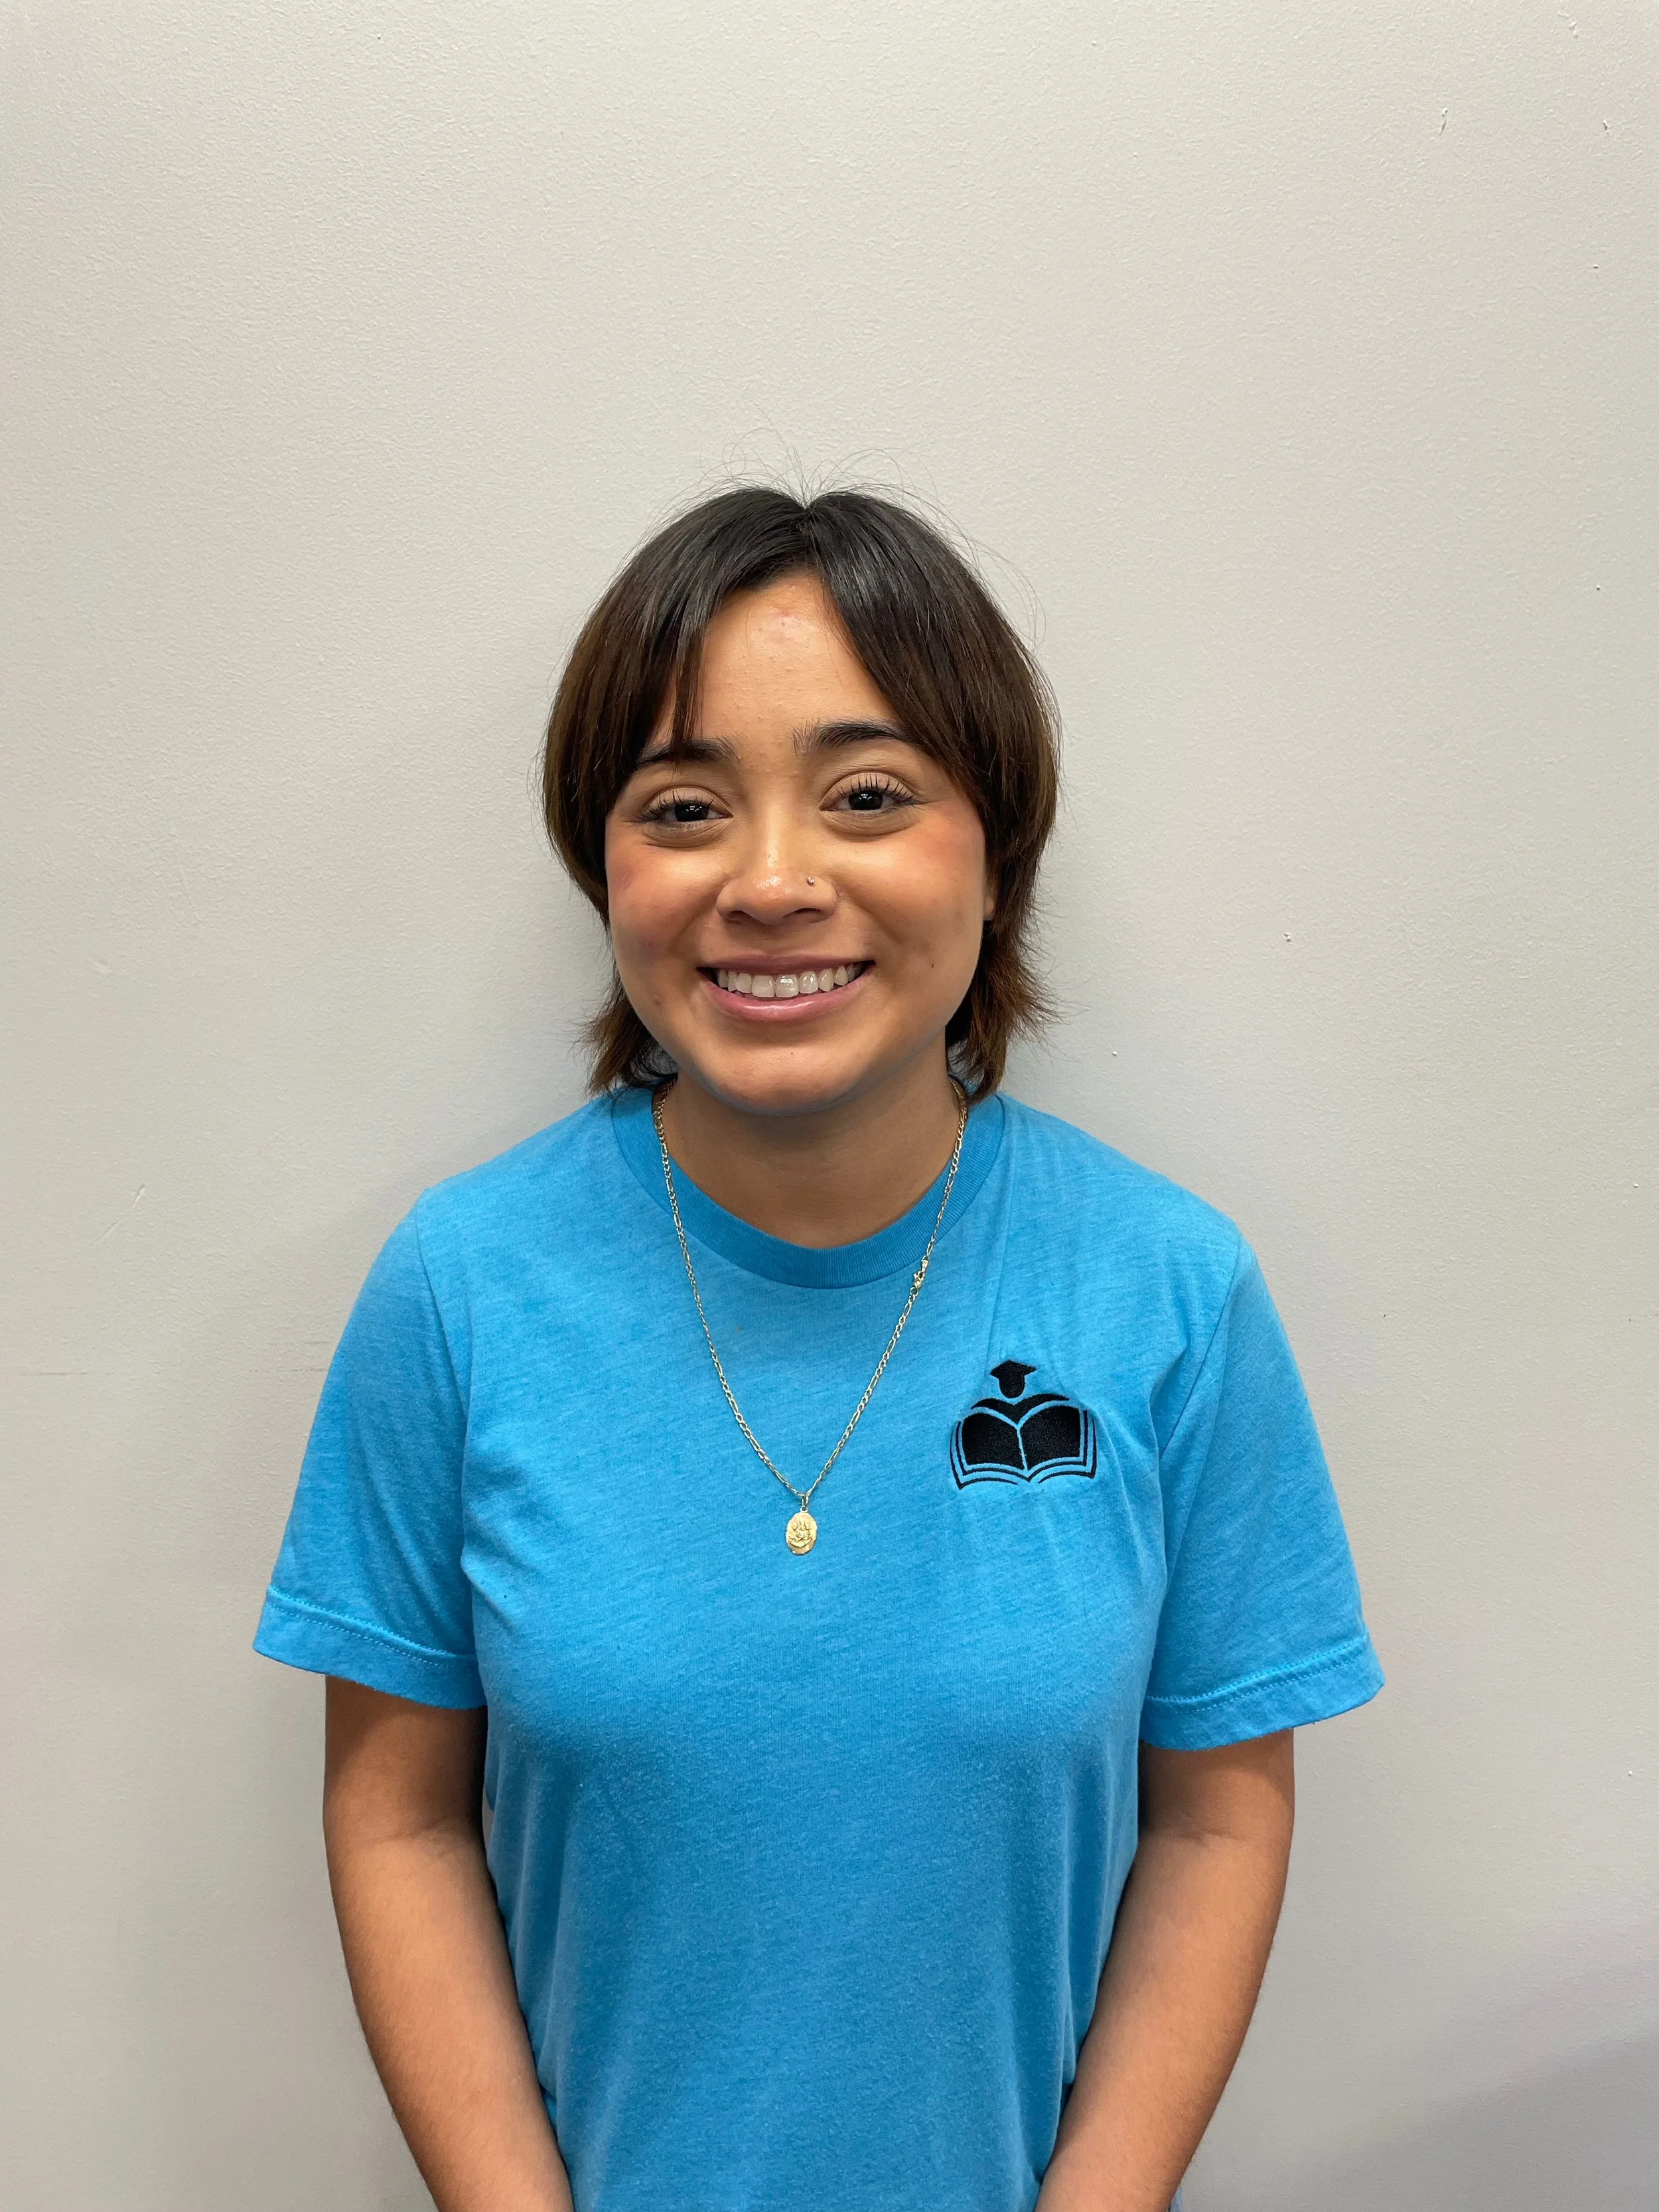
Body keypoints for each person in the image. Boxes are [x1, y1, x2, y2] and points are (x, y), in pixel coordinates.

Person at [253, 484, 1384, 2212]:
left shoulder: (1166, 1287)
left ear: (993, 850)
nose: (771, 881)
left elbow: (1216, 1814)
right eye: (686, 805)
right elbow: (398, 1817)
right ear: (604, 863)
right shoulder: (464, 1286)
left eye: (866, 796)